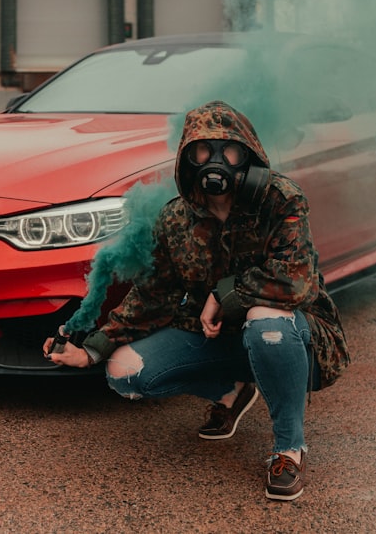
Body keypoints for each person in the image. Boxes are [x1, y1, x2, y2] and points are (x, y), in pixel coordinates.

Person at [44, 100, 350, 501]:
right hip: (220, 339)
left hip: (296, 337)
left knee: (265, 320)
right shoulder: (175, 219)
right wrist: (94, 348)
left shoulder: (281, 199)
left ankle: (288, 450)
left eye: (231, 151)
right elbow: (154, 292)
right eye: (204, 151)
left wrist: (221, 297)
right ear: (187, 158)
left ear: (249, 155)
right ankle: (229, 391)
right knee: (124, 372)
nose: (217, 162)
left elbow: (294, 280)